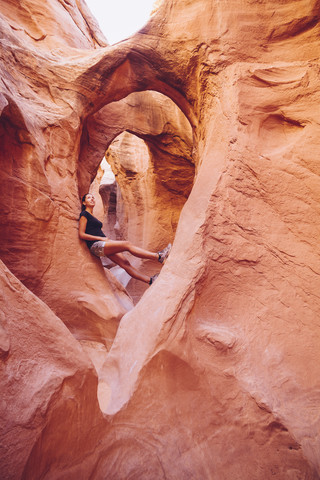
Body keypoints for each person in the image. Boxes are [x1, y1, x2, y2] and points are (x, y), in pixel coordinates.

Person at [79, 193, 171, 285]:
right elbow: (81, 234)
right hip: (96, 246)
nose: (92, 199)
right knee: (127, 244)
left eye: (93, 197)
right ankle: (159, 256)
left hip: (102, 244)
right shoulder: (84, 214)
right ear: (84, 202)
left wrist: (105, 240)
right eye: (89, 198)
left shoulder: (92, 215)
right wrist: (100, 238)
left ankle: (150, 280)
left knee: (125, 263)